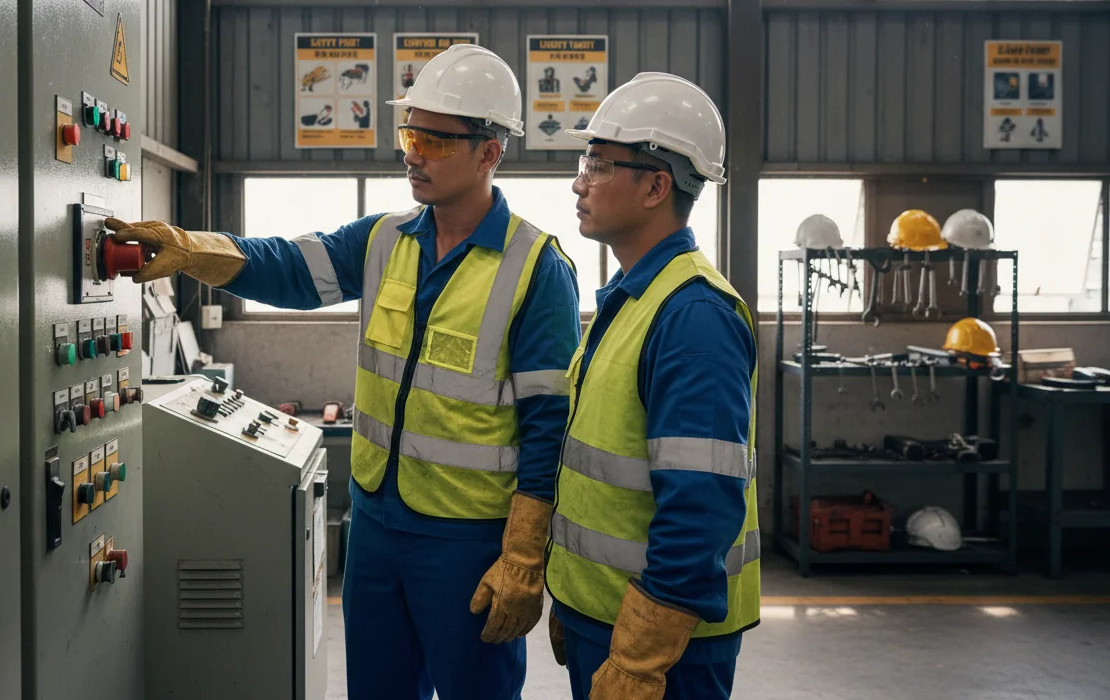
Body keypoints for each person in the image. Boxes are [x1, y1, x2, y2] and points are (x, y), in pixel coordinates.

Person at [105, 44, 581, 700]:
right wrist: (190, 250)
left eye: (436, 141)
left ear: (490, 151)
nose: (414, 154)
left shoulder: (538, 270)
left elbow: (549, 427)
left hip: (467, 543)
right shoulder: (385, 239)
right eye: (410, 134)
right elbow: (288, 266)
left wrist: (525, 556)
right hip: (377, 528)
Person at [543, 72, 761, 700]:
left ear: (656, 186)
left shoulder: (694, 318)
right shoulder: (632, 297)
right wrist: (576, 596)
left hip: (667, 647)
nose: (579, 181)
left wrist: (642, 655)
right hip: (607, 618)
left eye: (599, 163)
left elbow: (700, 503)